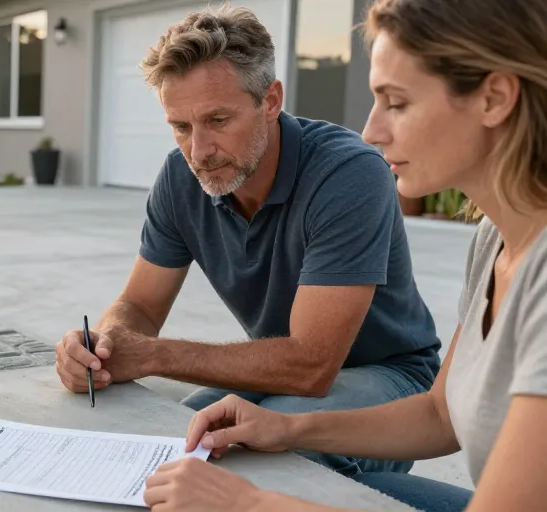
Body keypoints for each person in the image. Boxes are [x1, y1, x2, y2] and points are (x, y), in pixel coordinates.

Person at [142, 0, 547, 510]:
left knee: (263, 482)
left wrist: (249, 504)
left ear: (494, 98)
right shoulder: (496, 237)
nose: (372, 131)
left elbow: (311, 366)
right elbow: (439, 418)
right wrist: (288, 427)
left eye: (396, 102)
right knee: (215, 446)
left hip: (388, 376)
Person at [54, 4, 441, 477]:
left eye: (218, 120)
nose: (198, 151)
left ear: (271, 100)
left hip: (389, 378)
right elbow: (140, 305)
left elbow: (310, 366)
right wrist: (104, 347)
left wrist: (153, 355)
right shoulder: (181, 178)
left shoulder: (348, 173)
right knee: (176, 438)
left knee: (257, 462)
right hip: (275, 375)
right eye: (181, 127)